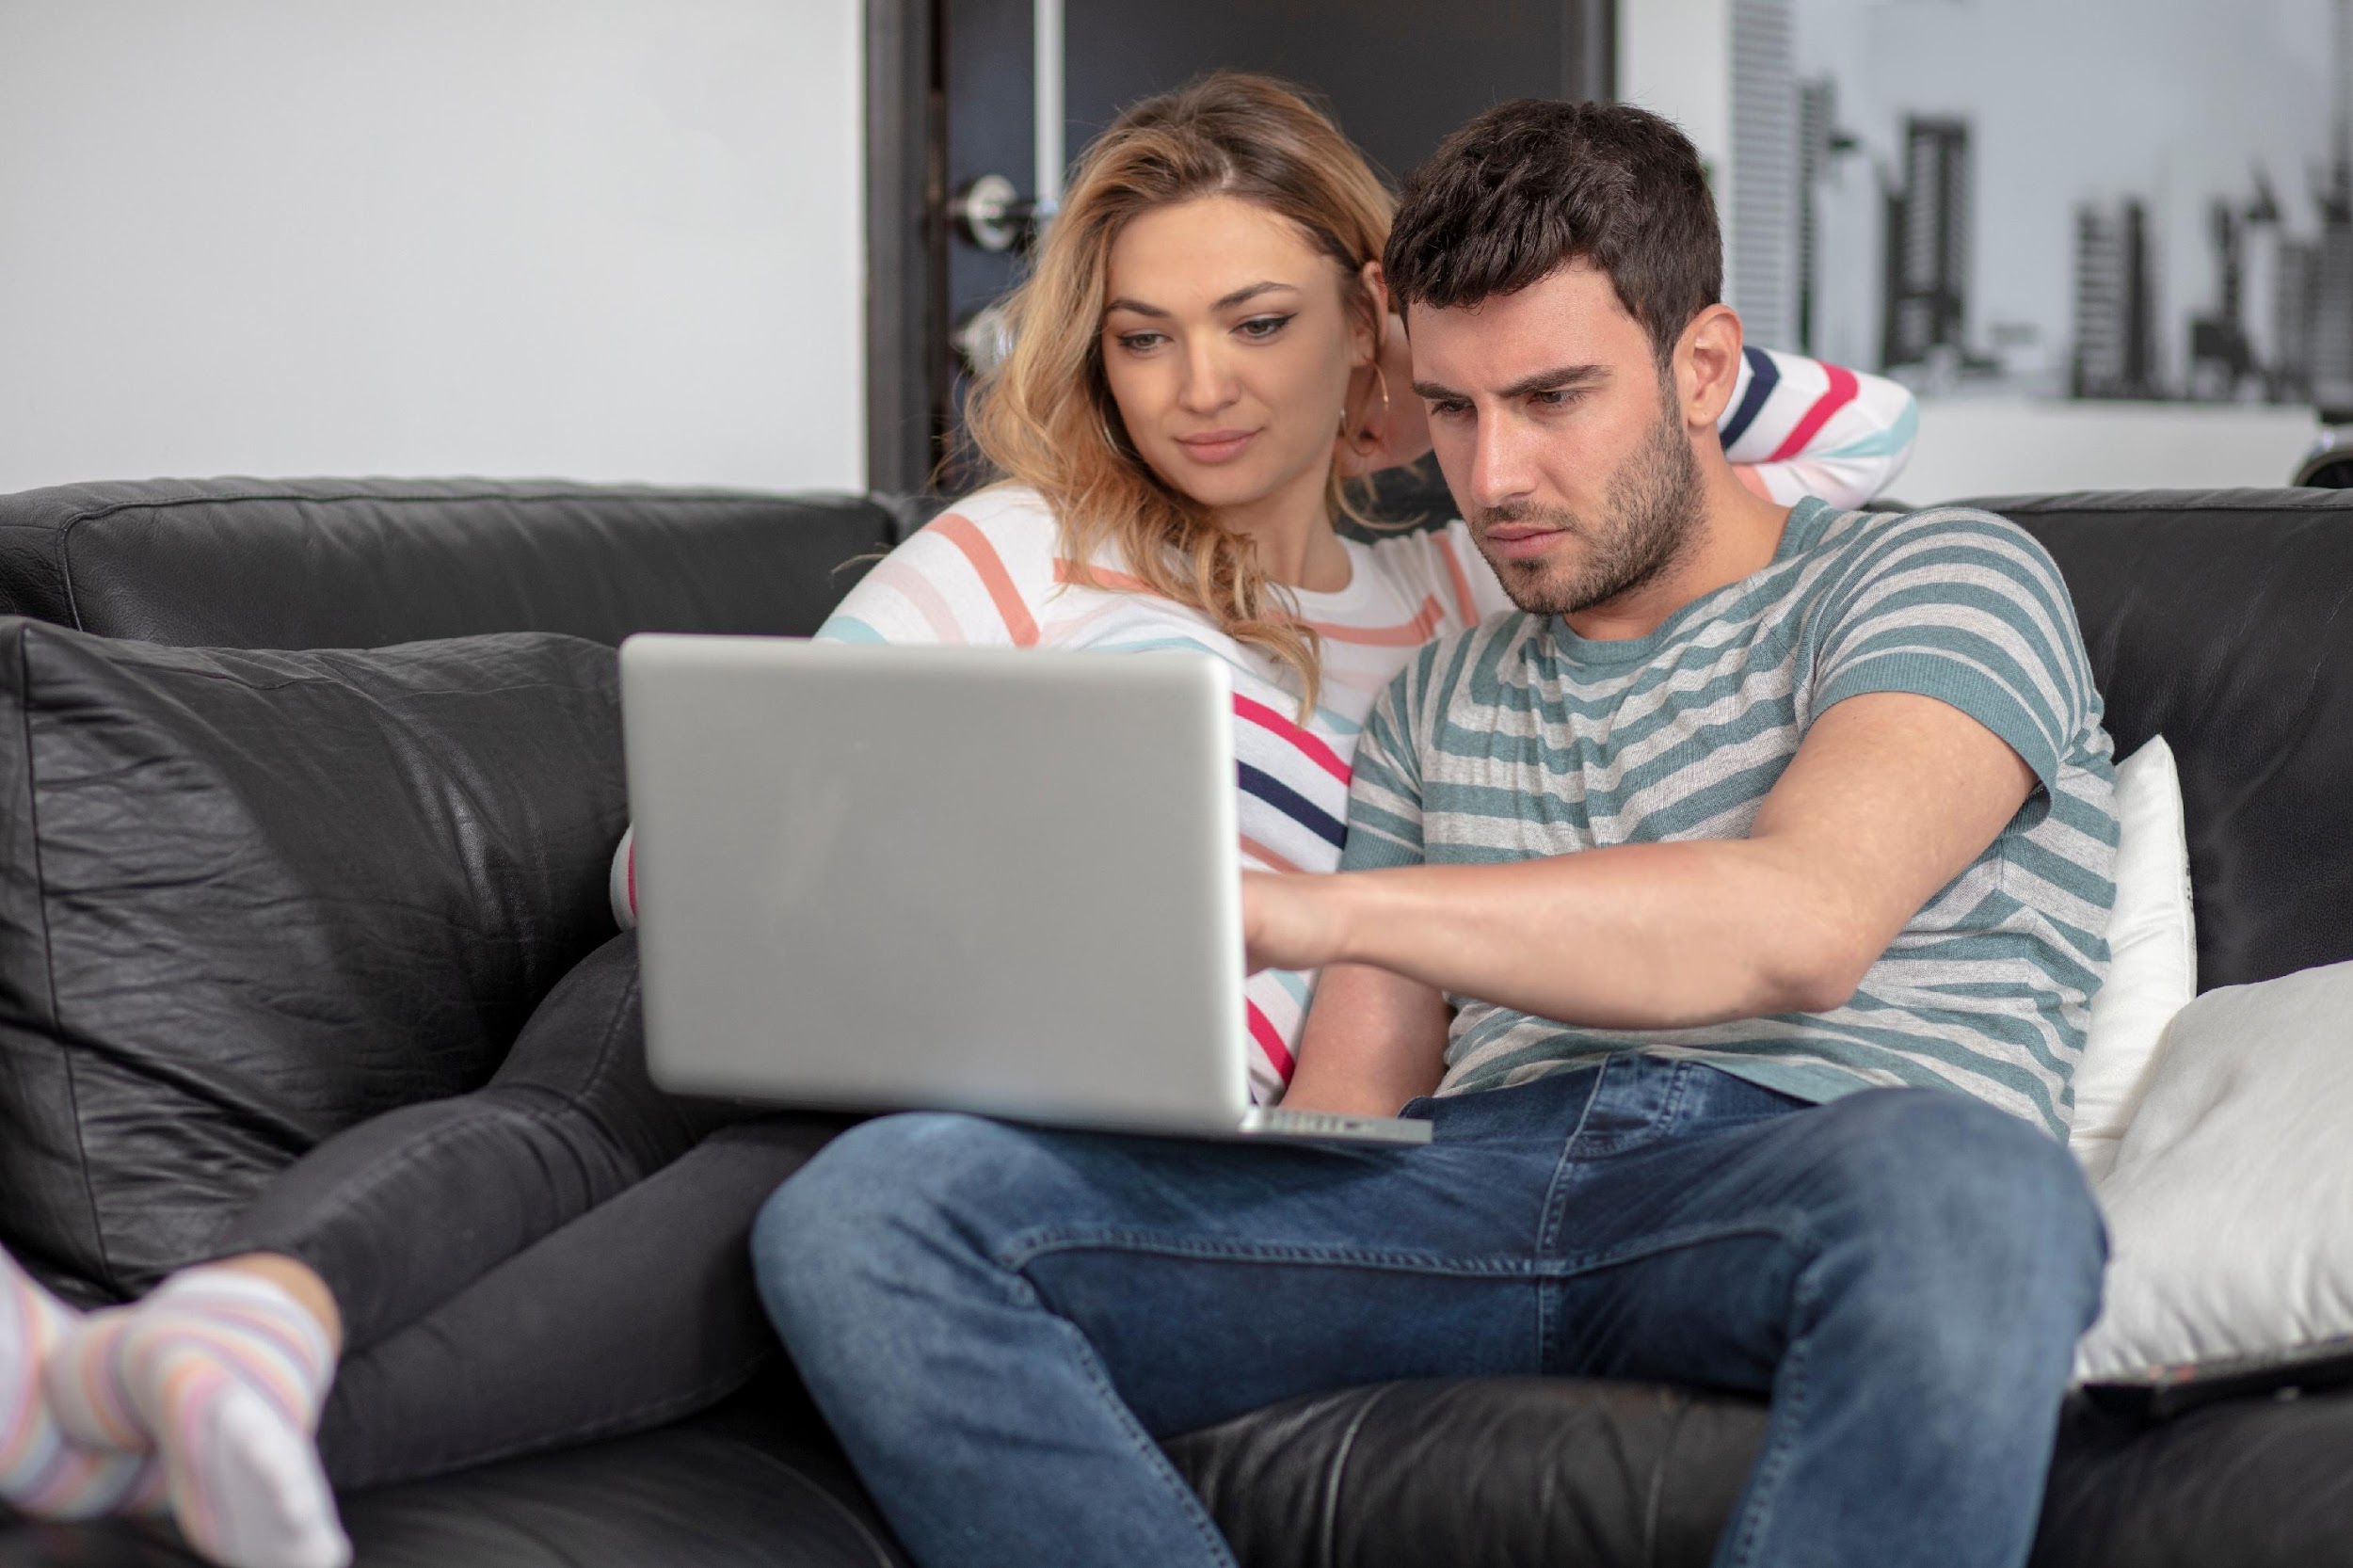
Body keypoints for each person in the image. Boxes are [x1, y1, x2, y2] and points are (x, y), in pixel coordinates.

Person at [0, 76, 1913, 1568]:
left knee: (803, 1196)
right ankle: (238, 1317)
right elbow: (733, 817)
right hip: (787, 983)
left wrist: (1436, 373)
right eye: (1143, 336)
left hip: (1073, 1120)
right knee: (595, 1101)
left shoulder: (1460, 595)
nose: (1201, 386)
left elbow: (1848, 435)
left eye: (1259, 320)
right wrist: (812, 881)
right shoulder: (1019, 546)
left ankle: (167, 1407)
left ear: (1367, 310)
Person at [751, 96, 2117, 1568]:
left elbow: (1801, 925)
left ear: (1706, 367)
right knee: (873, 1212)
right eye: (1452, 409)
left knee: (1983, 1192)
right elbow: (1352, 1118)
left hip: (1820, 1160)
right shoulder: (1443, 692)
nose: (1496, 480)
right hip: (1474, 1181)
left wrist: (1292, 912)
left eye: (1554, 398)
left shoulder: (1943, 577)